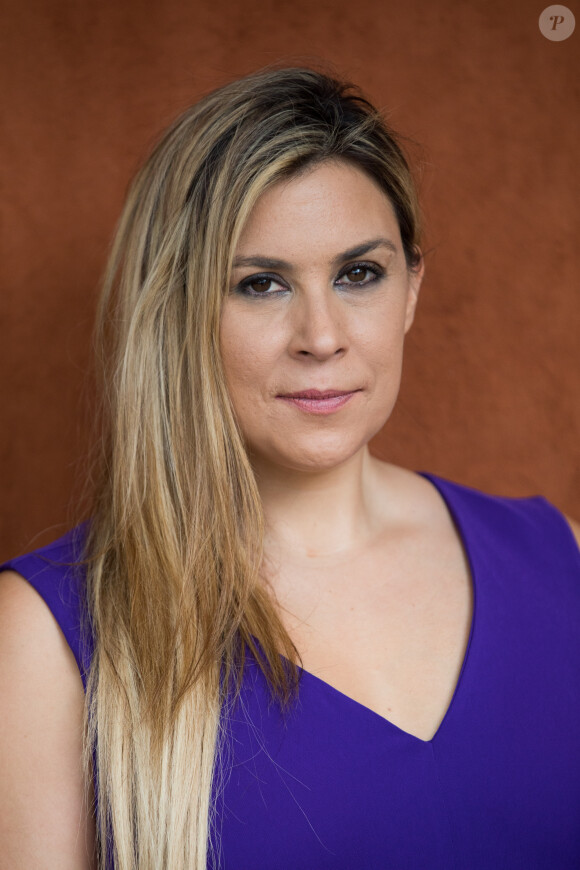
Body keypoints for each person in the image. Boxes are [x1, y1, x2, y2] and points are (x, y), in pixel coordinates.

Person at [1, 65, 579, 870]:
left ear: (412, 288)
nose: (321, 335)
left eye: (358, 274)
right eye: (261, 284)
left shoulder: (561, 559)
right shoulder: (48, 637)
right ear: (177, 311)